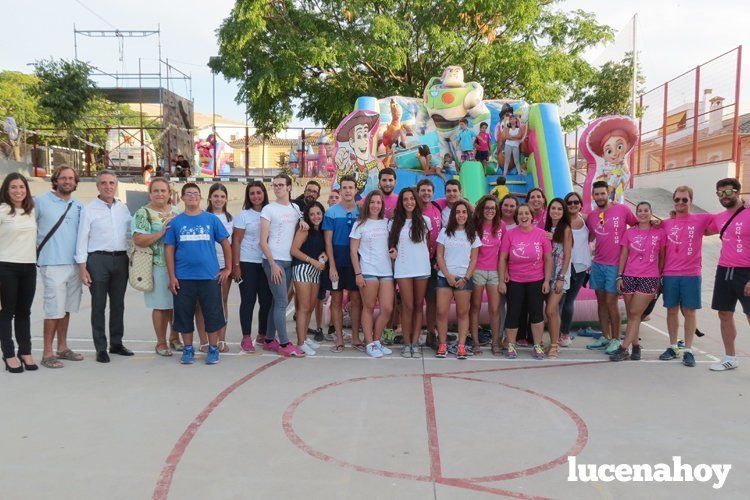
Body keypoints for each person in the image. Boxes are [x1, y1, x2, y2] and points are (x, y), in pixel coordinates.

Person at [164, 183, 231, 365]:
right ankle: (188, 349)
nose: (192, 196)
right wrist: (172, 277)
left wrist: (228, 269)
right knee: (184, 315)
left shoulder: (211, 220)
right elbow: (169, 250)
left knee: (212, 315)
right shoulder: (175, 222)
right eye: (188, 193)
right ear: (183, 198)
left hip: (209, 277)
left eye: (195, 193)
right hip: (184, 278)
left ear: (200, 197)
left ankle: (213, 348)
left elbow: (226, 244)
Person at [75, 170, 133, 363]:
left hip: (120, 260)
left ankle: (116, 343)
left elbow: (129, 234)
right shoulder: (89, 209)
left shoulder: (123, 208)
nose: (108, 186)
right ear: (97, 186)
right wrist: (82, 267)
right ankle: (101, 348)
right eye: (104, 183)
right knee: (98, 305)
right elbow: (82, 239)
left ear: (116, 185)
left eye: (111, 183)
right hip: (98, 260)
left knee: (118, 305)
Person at [34, 166, 84, 369]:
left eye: (71, 178)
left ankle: (62, 348)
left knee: (66, 309)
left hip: (73, 264)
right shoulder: (40, 201)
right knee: (53, 310)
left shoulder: (78, 205)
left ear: (75, 182)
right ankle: (47, 353)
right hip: (52, 264)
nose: (67, 181)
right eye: (63, 178)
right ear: (55, 180)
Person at [658, 186, 714, 367]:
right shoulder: (666, 223)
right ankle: (673, 346)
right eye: (677, 199)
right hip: (670, 274)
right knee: (671, 310)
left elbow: (727, 218)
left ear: (691, 201)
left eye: (684, 199)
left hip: (691, 274)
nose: (680, 203)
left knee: (689, 312)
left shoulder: (702, 219)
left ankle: (688, 350)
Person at [585, 180, 637, 355]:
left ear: (609, 193)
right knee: (600, 302)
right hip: (598, 264)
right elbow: (589, 236)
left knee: (611, 302)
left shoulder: (622, 210)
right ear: (593, 196)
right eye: (596, 194)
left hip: (615, 265)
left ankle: (616, 339)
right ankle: (605, 336)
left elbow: (638, 226)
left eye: (602, 193)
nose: (600, 197)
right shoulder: (592, 216)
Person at [610, 202, 666, 361]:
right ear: (636, 214)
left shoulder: (659, 233)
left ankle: (623, 348)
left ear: (651, 212)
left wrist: (659, 276)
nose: (642, 213)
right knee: (632, 315)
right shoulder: (629, 233)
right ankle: (635, 348)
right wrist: (619, 276)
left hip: (649, 278)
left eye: (646, 211)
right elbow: (624, 255)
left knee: (635, 313)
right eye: (639, 211)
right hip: (629, 276)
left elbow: (662, 256)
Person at [132, 177, 180, 357]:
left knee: (176, 305)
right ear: (150, 193)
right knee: (161, 305)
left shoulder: (176, 212)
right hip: (157, 265)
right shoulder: (143, 213)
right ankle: (161, 341)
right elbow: (138, 239)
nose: (160, 194)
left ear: (169, 193)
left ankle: (175, 338)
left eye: (163, 191)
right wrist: (161, 233)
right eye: (156, 191)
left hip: (177, 266)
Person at [498, 203, 552, 360]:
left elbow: (548, 259)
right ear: (516, 217)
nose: (523, 216)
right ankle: (511, 345)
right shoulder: (509, 234)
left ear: (532, 216)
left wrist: (547, 280)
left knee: (536, 314)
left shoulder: (541, 235)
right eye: (520, 213)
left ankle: (537, 345)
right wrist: (502, 280)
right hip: (514, 280)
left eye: (526, 213)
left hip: (536, 280)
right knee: (513, 313)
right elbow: (502, 258)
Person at [260, 174, 305, 357]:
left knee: (276, 302)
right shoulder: (268, 209)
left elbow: (299, 225)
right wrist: (272, 264)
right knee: (281, 303)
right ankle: (285, 344)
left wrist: (302, 222)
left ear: (288, 187)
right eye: (275, 185)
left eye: (280, 185)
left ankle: (270, 340)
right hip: (274, 261)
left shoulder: (295, 208)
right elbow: (263, 242)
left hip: (288, 261)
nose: (277, 188)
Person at [709, 178, 750, 371]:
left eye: (728, 192)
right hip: (724, 269)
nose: (724, 196)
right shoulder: (719, 218)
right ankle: (730, 357)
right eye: (720, 193)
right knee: (724, 313)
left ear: (738, 192)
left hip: (747, 272)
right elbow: (696, 227)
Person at [0, 173, 37, 373]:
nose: (18, 191)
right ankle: (8, 354)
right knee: (7, 312)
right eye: (13, 187)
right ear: (6, 190)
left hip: (29, 267)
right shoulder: (2, 210)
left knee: (24, 312)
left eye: (21, 187)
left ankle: (26, 351)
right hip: (6, 267)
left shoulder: (31, 210)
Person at [350, 190, 394, 358]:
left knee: (387, 308)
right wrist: (358, 273)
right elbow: (353, 251)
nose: (375, 205)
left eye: (379, 202)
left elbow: (391, 245)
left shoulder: (387, 223)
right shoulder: (360, 224)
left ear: (382, 205)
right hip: (367, 270)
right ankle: (369, 343)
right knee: (368, 307)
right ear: (367, 204)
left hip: (385, 271)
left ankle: (377, 340)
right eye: (373, 202)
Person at [435, 200, 481, 359]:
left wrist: (466, 278)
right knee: (441, 312)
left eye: (464, 212)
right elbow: (439, 256)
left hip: (464, 279)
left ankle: (461, 345)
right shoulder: (444, 232)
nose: (461, 215)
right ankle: (443, 344)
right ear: (453, 215)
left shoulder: (473, 234)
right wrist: (447, 275)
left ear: (468, 215)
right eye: (458, 212)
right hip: (444, 278)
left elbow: (474, 260)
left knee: (462, 313)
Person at [389, 187, 431, 358]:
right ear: (401, 202)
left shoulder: (425, 221)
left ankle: (415, 343)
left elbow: (427, 245)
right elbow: (391, 246)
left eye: (412, 199)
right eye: (405, 199)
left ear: (416, 200)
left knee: (419, 306)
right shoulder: (393, 222)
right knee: (407, 306)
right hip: (403, 269)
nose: (409, 202)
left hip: (422, 268)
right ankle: (407, 344)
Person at [322, 175, 362, 352]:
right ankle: (339, 338)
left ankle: (355, 337)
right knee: (336, 301)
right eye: (344, 187)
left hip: (356, 263)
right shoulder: (331, 212)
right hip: (337, 263)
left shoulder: (362, 212)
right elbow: (328, 242)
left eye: (350, 187)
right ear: (340, 190)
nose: (347, 191)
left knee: (355, 300)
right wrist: (332, 265)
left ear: (356, 190)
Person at [232, 181, 272, 353]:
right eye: (252, 193)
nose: (256, 196)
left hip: (266, 263)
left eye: (259, 192)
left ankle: (262, 334)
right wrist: (236, 265)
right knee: (248, 301)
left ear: (264, 194)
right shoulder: (244, 215)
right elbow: (236, 241)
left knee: (266, 301)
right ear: (248, 197)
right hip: (247, 263)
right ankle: (246, 337)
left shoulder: (271, 212)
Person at [196, 183, 233, 353]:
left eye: (222, 196)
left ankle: (221, 340)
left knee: (221, 303)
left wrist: (229, 268)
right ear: (210, 197)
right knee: (202, 305)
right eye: (216, 196)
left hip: (223, 267)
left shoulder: (231, 219)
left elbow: (232, 245)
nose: (219, 199)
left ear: (226, 199)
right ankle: (204, 341)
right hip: (204, 268)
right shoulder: (202, 217)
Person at [291, 201, 327, 356]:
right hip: (302, 269)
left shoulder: (321, 231)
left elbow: (319, 250)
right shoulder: (304, 230)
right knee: (303, 307)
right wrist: (312, 261)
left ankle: (304, 338)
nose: (316, 216)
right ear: (307, 215)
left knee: (311, 307)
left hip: (315, 271)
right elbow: (294, 250)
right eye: (312, 214)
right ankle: (300, 343)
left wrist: (323, 255)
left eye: (318, 213)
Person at [470, 195, 504, 356]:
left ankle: (495, 342)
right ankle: (475, 341)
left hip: (495, 271)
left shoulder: (500, 226)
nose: (490, 211)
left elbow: (504, 253)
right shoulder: (475, 225)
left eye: (493, 208)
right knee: (475, 306)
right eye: (487, 208)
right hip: (477, 270)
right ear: (481, 209)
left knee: (494, 308)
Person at [559, 191, 591, 347]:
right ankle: (557, 333)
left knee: (569, 300)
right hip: (564, 264)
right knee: (560, 300)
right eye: (569, 202)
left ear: (580, 204)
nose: (573, 205)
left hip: (579, 265)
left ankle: (564, 334)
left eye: (575, 202)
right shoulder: (561, 221)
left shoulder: (585, 219)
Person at [543, 198, 572, 359]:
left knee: (550, 309)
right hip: (548, 273)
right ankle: (553, 342)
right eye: (553, 208)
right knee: (552, 311)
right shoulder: (547, 227)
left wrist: (561, 277)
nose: (556, 211)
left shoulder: (565, 229)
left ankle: (555, 344)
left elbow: (567, 255)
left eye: (559, 209)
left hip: (560, 275)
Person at [417, 179, 443, 348]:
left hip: (434, 261)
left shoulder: (437, 208)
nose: (426, 193)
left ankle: (431, 334)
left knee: (432, 300)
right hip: (417, 262)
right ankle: (414, 334)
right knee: (416, 300)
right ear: (418, 192)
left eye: (429, 190)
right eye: (423, 190)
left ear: (433, 192)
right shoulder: (413, 210)